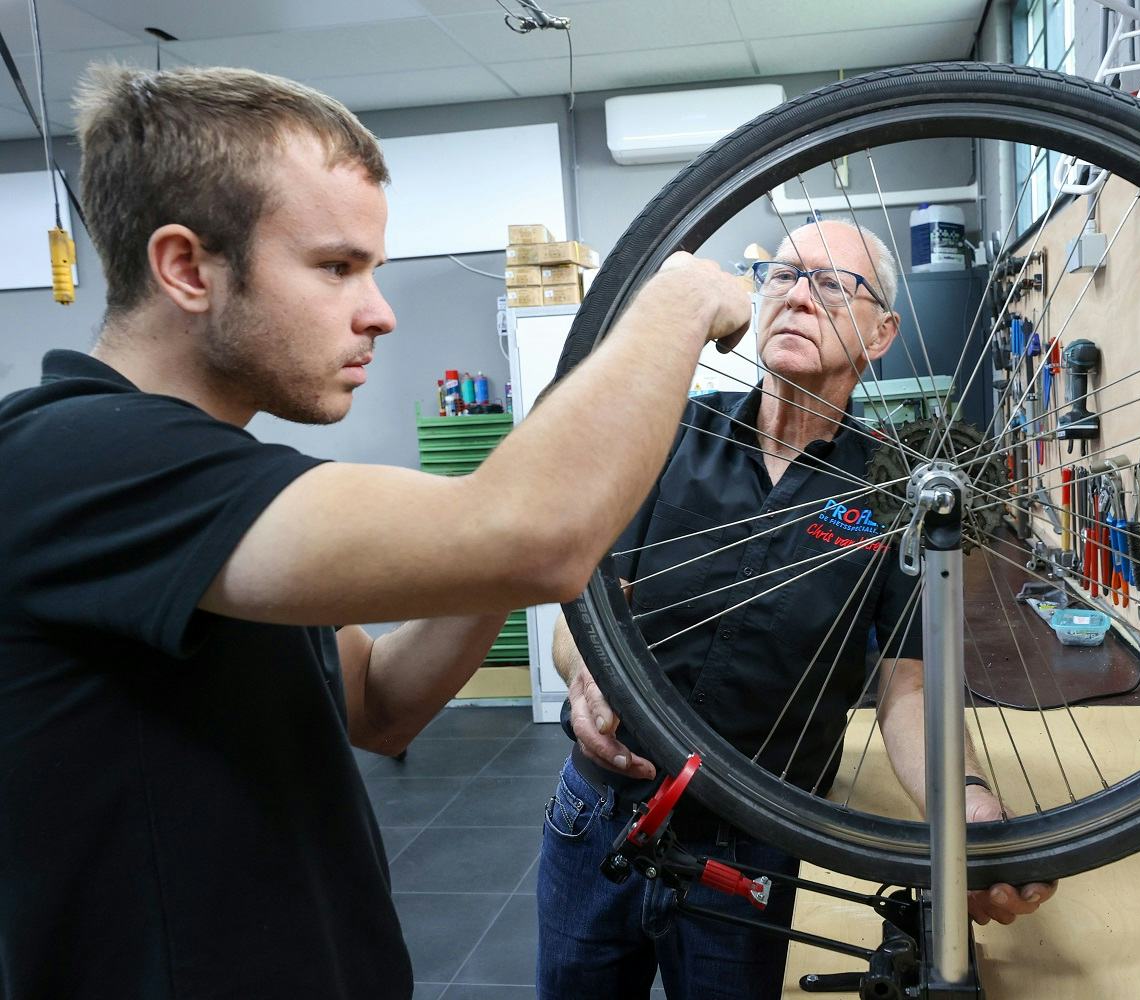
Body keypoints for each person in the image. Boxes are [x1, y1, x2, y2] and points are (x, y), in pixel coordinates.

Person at [0, 64, 748, 999]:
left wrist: (506, 551)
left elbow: (378, 703)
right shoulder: (72, 458)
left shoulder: (206, 481)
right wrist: (674, 302)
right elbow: (535, 534)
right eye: (336, 267)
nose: (380, 313)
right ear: (188, 268)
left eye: (374, 270)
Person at [537, 219, 1056, 1000]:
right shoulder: (670, 431)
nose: (799, 297)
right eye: (783, 277)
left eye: (832, 284)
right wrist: (584, 678)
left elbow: (906, 690)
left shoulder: (895, 493)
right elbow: (578, 608)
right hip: (599, 815)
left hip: (754, 838)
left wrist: (967, 805)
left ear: (881, 334)